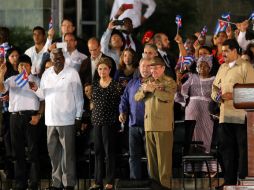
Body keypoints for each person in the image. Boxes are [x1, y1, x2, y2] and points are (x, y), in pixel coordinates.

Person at [31, 48, 84, 190]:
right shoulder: (46, 74)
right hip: (50, 120)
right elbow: (43, 95)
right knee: (53, 154)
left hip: (67, 119)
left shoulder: (72, 73)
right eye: (54, 57)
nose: (57, 59)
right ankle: (56, 183)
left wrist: (79, 116)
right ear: (51, 59)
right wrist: (35, 89)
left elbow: (79, 97)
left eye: (59, 56)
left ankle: (69, 184)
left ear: (64, 57)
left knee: (68, 155)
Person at [211, 39, 254, 189]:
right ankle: (229, 182)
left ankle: (243, 182)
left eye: (226, 51)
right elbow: (214, 89)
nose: (223, 54)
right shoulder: (222, 67)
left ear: (235, 50)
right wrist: (218, 97)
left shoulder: (246, 67)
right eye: (222, 51)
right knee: (226, 150)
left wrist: (233, 96)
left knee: (242, 152)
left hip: (242, 117)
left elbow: (251, 92)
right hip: (224, 116)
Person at [0, 54, 43, 190]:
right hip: (14, 117)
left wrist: (38, 115)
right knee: (17, 152)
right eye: (20, 65)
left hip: (32, 117)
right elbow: (2, 89)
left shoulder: (36, 80)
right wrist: (1, 74)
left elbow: (43, 99)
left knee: (33, 151)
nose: (23, 68)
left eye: (26, 65)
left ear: (30, 66)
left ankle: (34, 182)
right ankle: (20, 183)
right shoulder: (12, 79)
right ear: (17, 67)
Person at [135, 57, 176, 189]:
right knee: (152, 162)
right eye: (151, 68)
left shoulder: (169, 82)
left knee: (164, 162)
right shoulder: (147, 82)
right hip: (149, 125)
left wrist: (153, 90)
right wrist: (145, 90)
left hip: (163, 126)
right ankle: (154, 186)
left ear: (163, 68)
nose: (153, 71)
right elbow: (136, 97)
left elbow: (168, 97)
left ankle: (165, 187)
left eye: (156, 68)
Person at [89, 57, 121, 190]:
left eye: (105, 69)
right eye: (100, 68)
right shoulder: (95, 84)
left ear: (110, 70)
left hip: (110, 122)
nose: (102, 71)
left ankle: (109, 181)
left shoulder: (115, 85)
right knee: (97, 152)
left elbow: (118, 104)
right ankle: (97, 181)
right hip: (96, 122)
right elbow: (92, 103)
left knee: (109, 152)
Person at [119, 57, 151, 180]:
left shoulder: (154, 83)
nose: (145, 69)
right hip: (133, 125)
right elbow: (124, 99)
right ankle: (135, 182)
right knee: (133, 157)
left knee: (150, 157)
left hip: (149, 126)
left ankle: (152, 183)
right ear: (139, 68)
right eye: (143, 66)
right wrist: (122, 111)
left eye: (148, 66)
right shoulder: (132, 83)